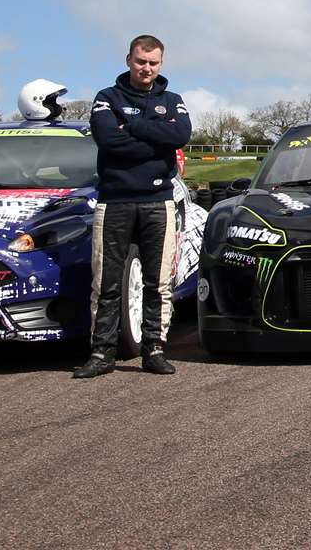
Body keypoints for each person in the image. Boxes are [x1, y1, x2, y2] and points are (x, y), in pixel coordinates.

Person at [74, 34, 194, 378]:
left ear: (161, 64)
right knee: (106, 282)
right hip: (114, 202)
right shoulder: (106, 97)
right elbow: (109, 140)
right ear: (129, 60)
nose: (147, 68)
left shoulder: (173, 100)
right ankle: (101, 354)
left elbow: (179, 137)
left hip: (159, 202)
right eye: (141, 61)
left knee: (159, 282)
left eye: (153, 63)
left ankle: (154, 350)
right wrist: (157, 140)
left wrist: (135, 125)